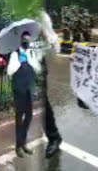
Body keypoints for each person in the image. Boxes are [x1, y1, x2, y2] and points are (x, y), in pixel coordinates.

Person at [7, 31, 41, 158]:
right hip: (19, 89)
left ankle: (23, 143)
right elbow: (9, 72)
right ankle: (18, 146)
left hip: (29, 89)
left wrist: (30, 59)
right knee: (19, 117)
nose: (26, 41)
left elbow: (37, 69)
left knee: (29, 116)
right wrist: (19, 61)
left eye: (28, 39)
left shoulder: (31, 53)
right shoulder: (14, 54)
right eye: (24, 39)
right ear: (21, 40)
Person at [40, 11, 63, 158]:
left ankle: (54, 138)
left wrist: (44, 36)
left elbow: (53, 44)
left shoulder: (39, 16)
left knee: (42, 102)